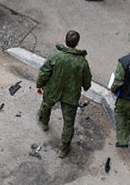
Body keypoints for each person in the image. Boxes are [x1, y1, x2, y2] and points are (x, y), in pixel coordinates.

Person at [36, 30, 93, 158]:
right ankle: (63, 148)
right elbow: (87, 80)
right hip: (71, 95)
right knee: (68, 122)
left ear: (64, 40)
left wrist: (39, 85)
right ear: (77, 43)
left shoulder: (55, 56)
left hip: (53, 90)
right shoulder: (82, 62)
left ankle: (43, 123)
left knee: (46, 106)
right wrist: (86, 87)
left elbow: (44, 72)